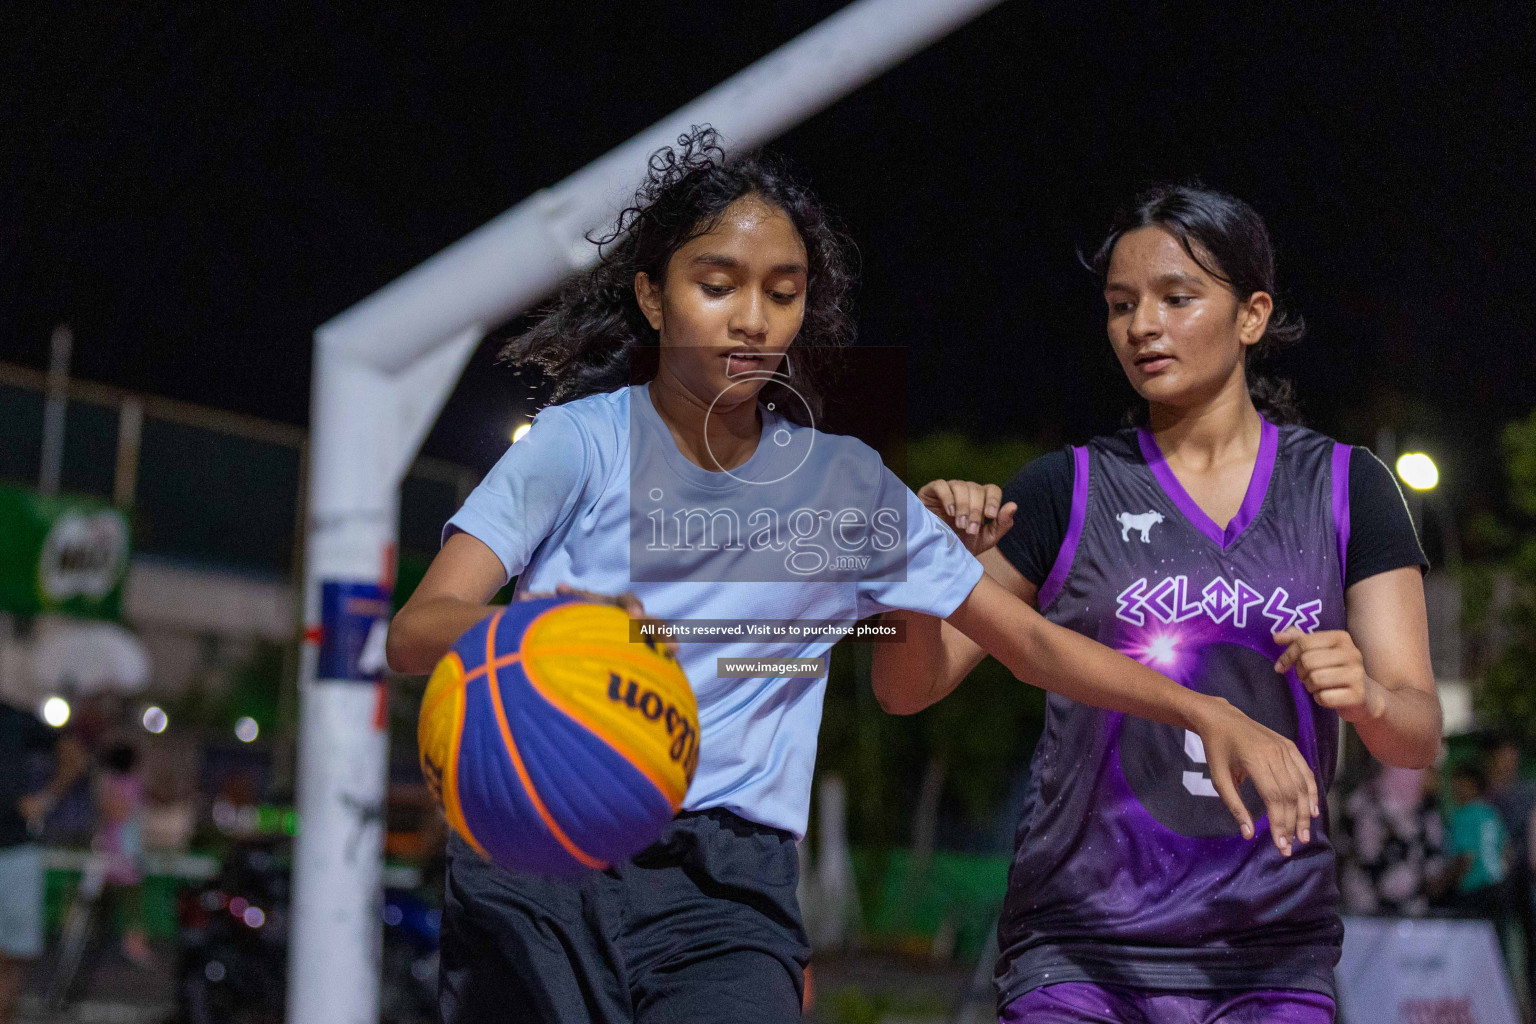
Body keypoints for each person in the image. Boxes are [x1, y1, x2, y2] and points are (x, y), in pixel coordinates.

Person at [386, 133, 1316, 1024]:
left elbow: (1027, 641)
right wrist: (564, 635)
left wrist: (1207, 711)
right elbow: (418, 630)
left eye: (782, 294)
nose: (752, 318)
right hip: (536, 841)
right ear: (654, 297)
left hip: (724, 883)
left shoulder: (844, 486)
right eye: (717, 286)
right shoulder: (577, 445)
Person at [873, 184, 1443, 1023]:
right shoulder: (1065, 490)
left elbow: (1417, 736)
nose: (1143, 326)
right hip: (1078, 949)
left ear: (1252, 314)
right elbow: (905, 687)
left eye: (1177, 298)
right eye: (1121, 305)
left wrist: (1369, 698)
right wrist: (920, 574)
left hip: (1269, 951)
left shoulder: (1347, 488)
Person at [0, 700, 86, 1024]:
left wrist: (47, 798)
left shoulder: (13, 717)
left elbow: (74, 754)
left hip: (15, 851)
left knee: (11, 958)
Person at [94, 743, 151, 968]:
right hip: (118, 849)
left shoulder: (116, 784)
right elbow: (116, 813)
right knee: (115, 899)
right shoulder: (123, 784)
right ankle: (113, 943)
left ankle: (133, 945)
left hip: (126, 848)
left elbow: (115, 811)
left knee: (130, 900)